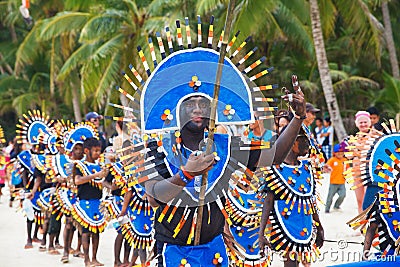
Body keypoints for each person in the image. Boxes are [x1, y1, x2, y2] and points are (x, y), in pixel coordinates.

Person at [144, 90, 306, 266]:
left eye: (204, 105)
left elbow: (274, 156)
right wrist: (187, 174)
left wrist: (298, 118)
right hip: (173, 250)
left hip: (214, 249)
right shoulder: (159, 147)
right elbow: (154, 197)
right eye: (190, 104)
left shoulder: (226, 146)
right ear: (178, 110)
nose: (198, 110)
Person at [258, 125, 324, 267]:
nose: (308, 145)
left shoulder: (307, 167)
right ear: (293, 142)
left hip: (304, 224)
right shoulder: (275, 170)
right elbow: (268, 202)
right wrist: (261, 232)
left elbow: (310, 200)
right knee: (290, 262)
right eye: (304, 141)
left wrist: (319, 227)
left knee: (299, 261)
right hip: (284, 223)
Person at [73, 137, 108, 267]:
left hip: (96, 202)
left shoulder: (99, 166)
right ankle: (87, 260)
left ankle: (94, 258)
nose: (98, 153)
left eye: (99, 151)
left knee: (96, 232)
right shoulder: (79, 165)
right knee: (86, 232)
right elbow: (77, 181)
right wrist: (95, 175)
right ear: (87, 151)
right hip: (84, 203)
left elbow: (102, 182)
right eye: (95, 151)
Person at [324, 143, 347, 213]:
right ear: (334, 153)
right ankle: (327, 208)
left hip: (342, 182)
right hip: (333, 182)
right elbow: (326, 166)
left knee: (343, 195)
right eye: (338, 152)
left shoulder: (345, 160)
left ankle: (336, 206)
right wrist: (326, 168)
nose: (340, 154)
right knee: (330, 196)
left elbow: (347, 169)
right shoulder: (332, 160)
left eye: (341, 152)